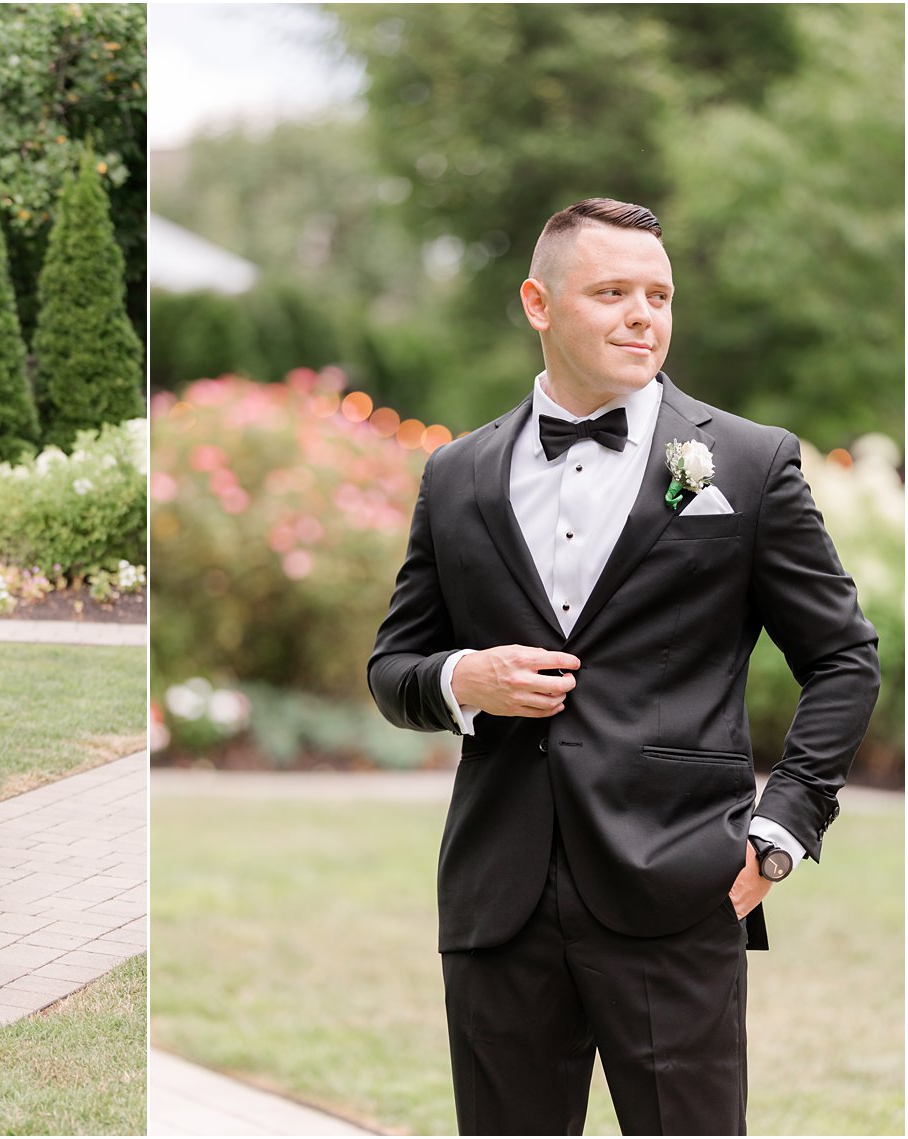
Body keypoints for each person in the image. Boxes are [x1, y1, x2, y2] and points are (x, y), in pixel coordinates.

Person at [368, 199, 879, 1135]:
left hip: (682, 885)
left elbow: (845, 658)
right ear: (539, 302)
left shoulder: (750, 463)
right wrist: (461, 681)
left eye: (659, 294)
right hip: (498, 896)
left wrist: (782, 828)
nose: (644, 314)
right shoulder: (457, 475)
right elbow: (393, 664)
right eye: (612, 292)